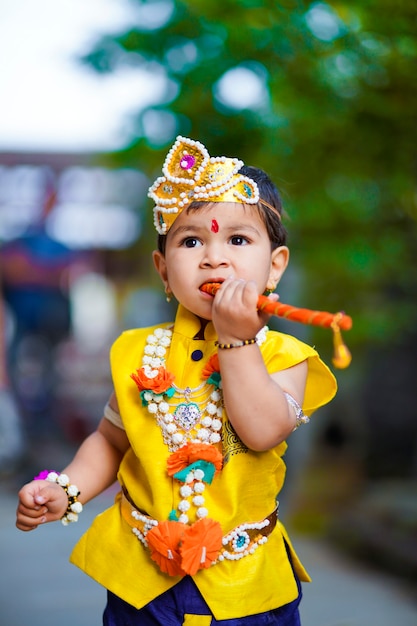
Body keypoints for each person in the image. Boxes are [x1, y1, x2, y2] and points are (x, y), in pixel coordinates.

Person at [16, 136, 337, 625]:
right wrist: (66, 488)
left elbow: (262, 430)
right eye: (191, 241)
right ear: (164, 272)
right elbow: (110, 440)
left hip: (244, 591)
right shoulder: (137, 352)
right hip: (141, 584)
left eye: (237, 240)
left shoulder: (285, 355)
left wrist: (236, 341)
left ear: (274, 267)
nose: (214, 258)